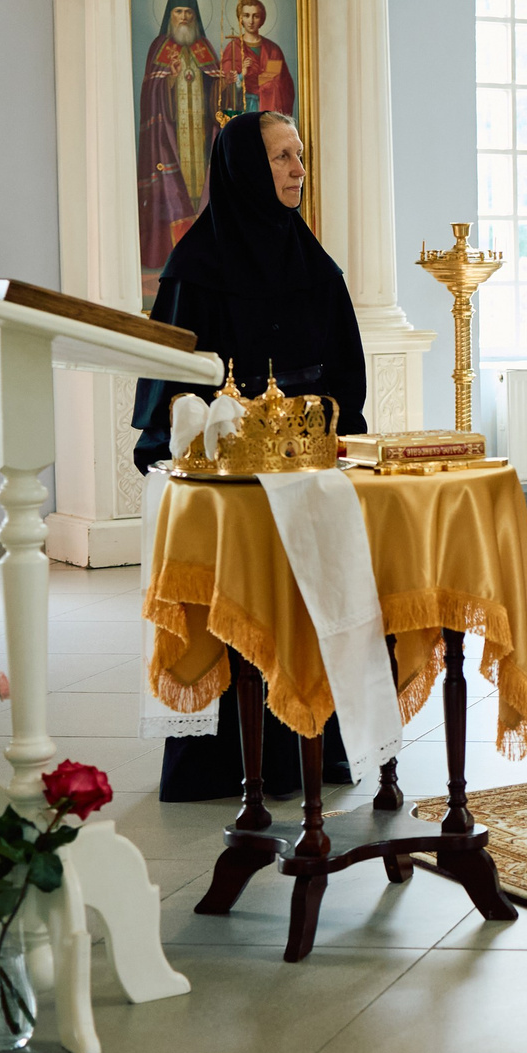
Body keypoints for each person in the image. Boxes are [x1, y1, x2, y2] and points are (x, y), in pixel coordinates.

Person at [131, 111, 369, 802]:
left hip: (304, 478)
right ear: (242, 168)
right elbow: (167, 393)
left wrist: (315, 424)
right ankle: (219, 766)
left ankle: (311, 755)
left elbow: (346, 384)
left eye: (300, 155)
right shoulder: (193, 268)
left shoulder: (315, 266)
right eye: (282, 157)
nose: (298, 170)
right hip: (229, 488)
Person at [138, 0, 221, 301]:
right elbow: (152, 92)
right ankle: (173, 251)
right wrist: (170, 79)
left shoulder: (204, 47)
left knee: (204, 188)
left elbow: (215, 86)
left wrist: (221, 83)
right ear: (170, 16)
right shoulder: (160, 47)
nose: (184, 17)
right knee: (177, 187)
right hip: (170, 138)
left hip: (200, 135)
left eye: (188, 13)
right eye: (178, 12)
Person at [219, 0, 296, 119]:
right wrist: (242, 75)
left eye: (256, 16)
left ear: (262, 19)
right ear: (241, 19)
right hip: (242, 108)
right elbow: (225, 83)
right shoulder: (233, 48)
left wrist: (253, 80)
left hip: (267, 106)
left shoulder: (273, 49)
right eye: (246, 15)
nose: (251, 21)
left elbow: (276, 81)